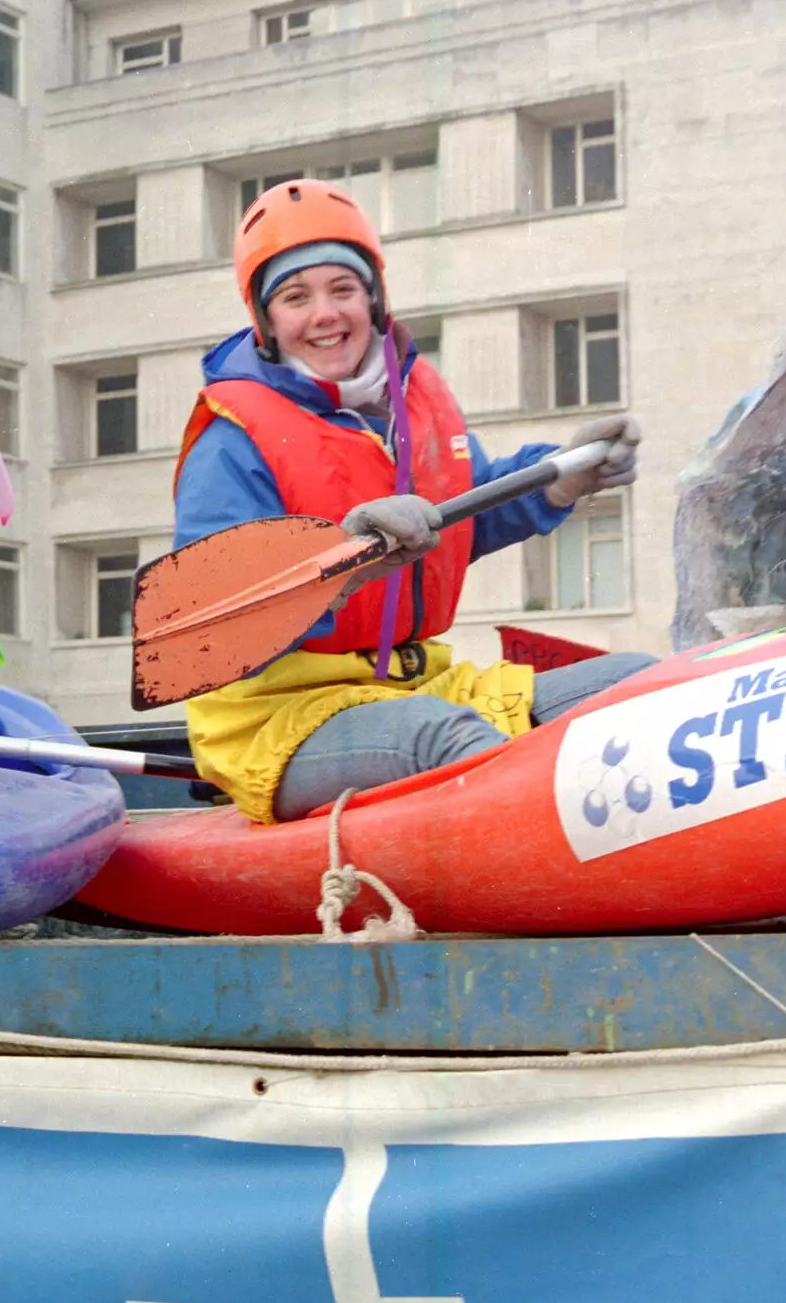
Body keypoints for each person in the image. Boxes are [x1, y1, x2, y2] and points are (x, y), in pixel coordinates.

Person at [173, 179, 654, 823]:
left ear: (373, 298)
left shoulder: (412, 400)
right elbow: (214, 625)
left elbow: (466, 513)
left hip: (414, 683)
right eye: (295, 297)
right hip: (274, 717)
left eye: (343, 289)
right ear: (266, 320)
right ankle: (563, 888)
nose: (325, 314)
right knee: (448, 738)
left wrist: (563, 477)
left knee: (639, 686)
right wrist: (342, 568)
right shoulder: (232, 440)